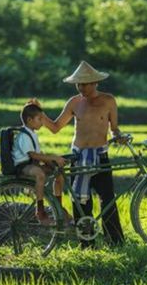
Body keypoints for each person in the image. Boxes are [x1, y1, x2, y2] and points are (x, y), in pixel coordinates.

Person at [34, 61, 125, 246]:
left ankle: (115, 241)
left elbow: (114, 128)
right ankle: (86, 243)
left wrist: (119, 136)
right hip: (79, 157)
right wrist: (40, 115)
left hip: (100, 157)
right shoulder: (74, 102)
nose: (81, 88)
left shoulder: (108, 101)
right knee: (80, 201)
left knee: (107, 199)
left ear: (94, 83)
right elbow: (56, 127)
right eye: (79, 84)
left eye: (84, 84)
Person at [12, 102, 71, 225]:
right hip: (23, 166)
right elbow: (33, 155)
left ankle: (58, 206)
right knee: (40, 174)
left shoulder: (32, 134)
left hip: (32, 163)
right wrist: (51, 158)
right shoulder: (24, 135)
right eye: (39, 119)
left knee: (58, 170)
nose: (42, 122)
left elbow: (39, 154)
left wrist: (53, 161)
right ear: (29, 120)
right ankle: (40, 211)